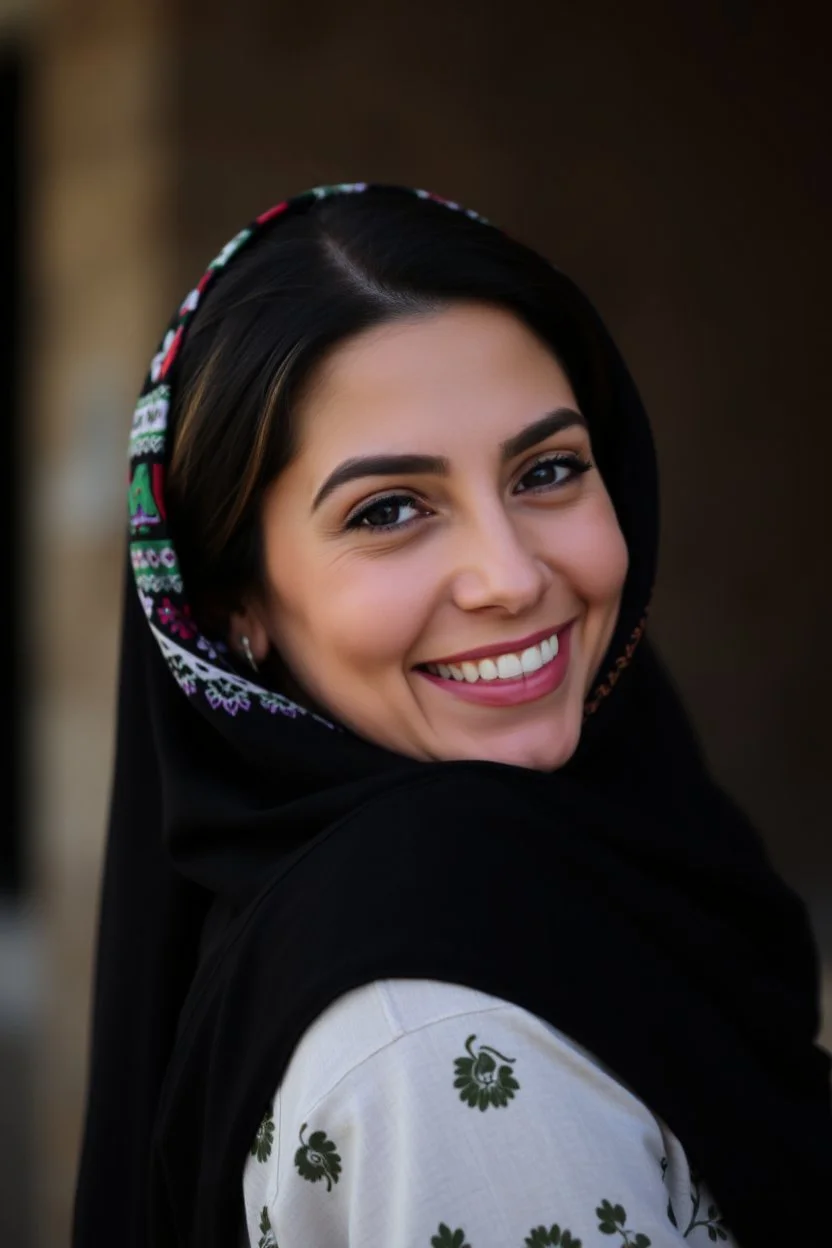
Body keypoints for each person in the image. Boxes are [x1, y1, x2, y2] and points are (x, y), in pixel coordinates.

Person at [72, 184, 832, 1248]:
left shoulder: (595, 864)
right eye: (388, 511)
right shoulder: (437, 1035)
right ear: (233, 604)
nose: (509, 577)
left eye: (548, 470)